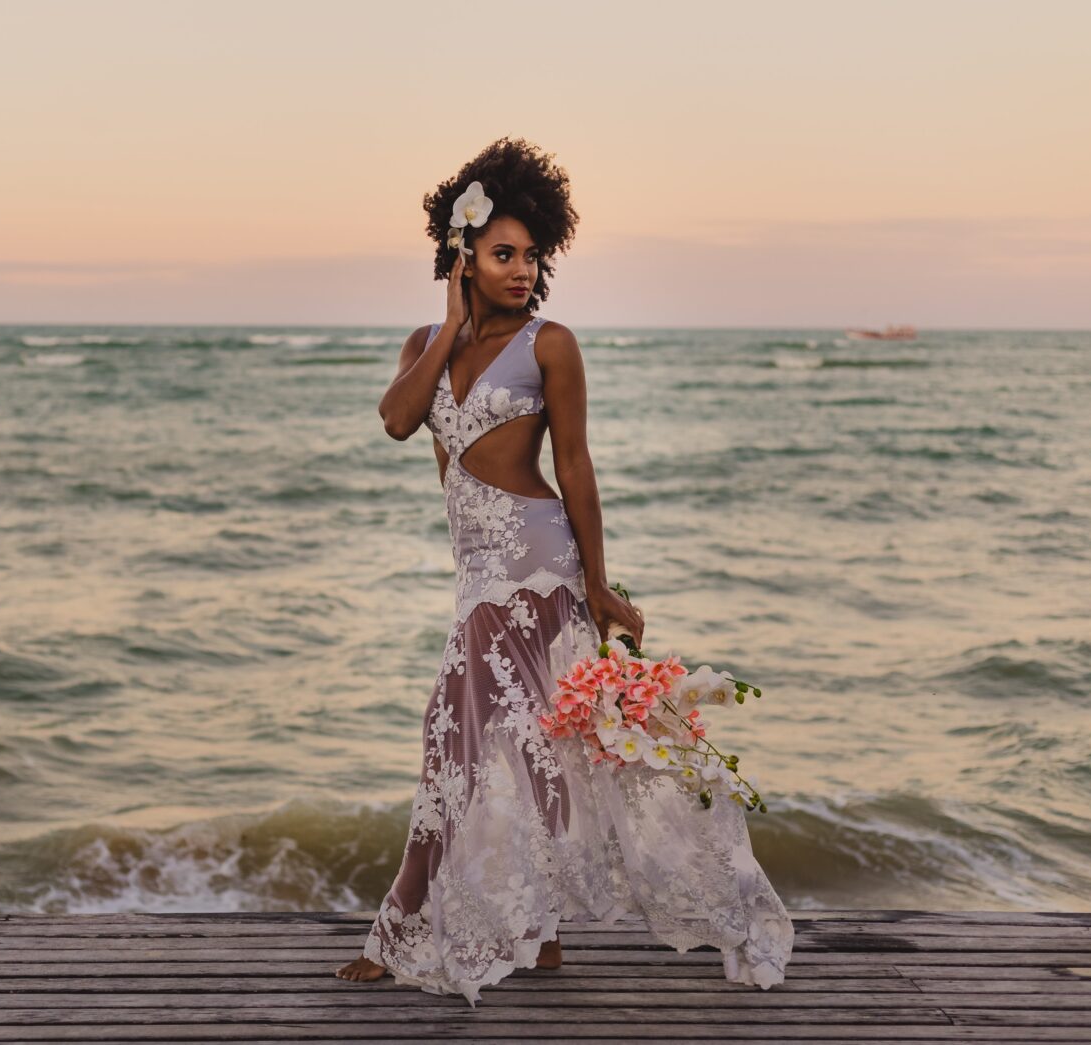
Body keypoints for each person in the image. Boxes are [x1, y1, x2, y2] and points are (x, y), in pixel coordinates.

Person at [335, 137, 792, 1007]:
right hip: (477, 576)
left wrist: (598, 583)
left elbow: (576, 468)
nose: (522, 269)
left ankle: (434, 930)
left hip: (541, 566)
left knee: (516, 747)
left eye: (530, 254)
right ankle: (501, 930)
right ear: (464, 256)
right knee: (479, 742)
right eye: (501, 253)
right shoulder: (426, 342)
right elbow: (398, 420)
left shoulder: (553, 345)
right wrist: (451, 323)